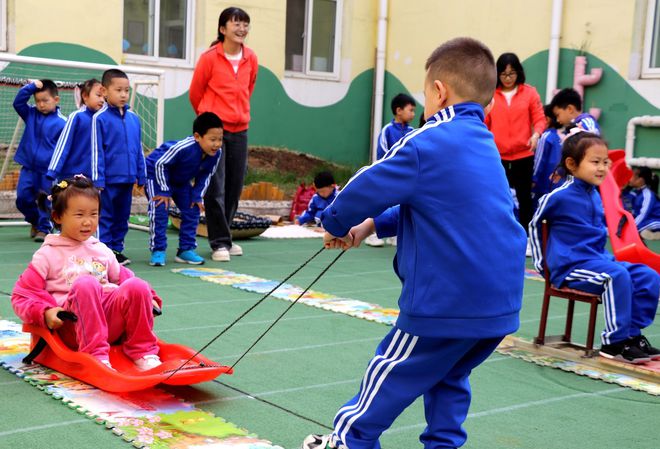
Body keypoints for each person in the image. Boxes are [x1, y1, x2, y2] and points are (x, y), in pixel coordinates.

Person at [302, 37, 526, 449]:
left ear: (438, 91)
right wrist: (368, 228)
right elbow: (431, 206)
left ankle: (345, 440)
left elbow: (368, 183)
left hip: (445, 300)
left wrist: (335, 221)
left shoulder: (428, 138)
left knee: (390, 370)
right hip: (500, 304)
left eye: (425, 95)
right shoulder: (483, 144)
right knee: (450, 376)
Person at [529, 131, 660, 364]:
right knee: (615, 276)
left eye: (605, 162)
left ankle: (631, 335)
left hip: (598, 261)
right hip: (570, 267)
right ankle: (613, 343)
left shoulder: (596, 195)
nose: (602, 168)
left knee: (647, 276)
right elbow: (535, 224)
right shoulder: (559, 196)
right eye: (595, 162)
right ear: (571, 164)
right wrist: (543, 265)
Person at [11, 176, 162, 371]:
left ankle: (143, 352)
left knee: (138, 285)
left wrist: (148, 298)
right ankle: (95, 356)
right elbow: (21, 295)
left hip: (109, 324)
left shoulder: (102, 249)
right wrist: (45, 312)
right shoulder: (47, 254)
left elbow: (126, 280)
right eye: (79, 214)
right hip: (72, 328)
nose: (88, 222)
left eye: (94, 214)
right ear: (57, 217)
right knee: (86, 284)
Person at [189, 6, 258, 262]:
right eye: (236, 24)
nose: (241, 29)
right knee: (215, 186)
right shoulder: (209, 58)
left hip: (240, 129)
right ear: (222, 29)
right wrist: (209, 123)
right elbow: (195, 92)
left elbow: (248, 89)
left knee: (234, 185)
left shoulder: (251, 57)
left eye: (245, 24)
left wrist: (237, 112)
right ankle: (219, 242)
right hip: (214, 130)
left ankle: (224, 236)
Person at [146, 112, 224, 266]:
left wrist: (197, 196)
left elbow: (206, 175)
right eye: (212, 139)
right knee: (161, 208)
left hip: (180, 181)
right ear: (197, 136)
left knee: (193, 208)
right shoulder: (184, 148)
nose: (217, 144)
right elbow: (159, 164)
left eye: (220, 139)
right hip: (156, 176)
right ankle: (158, 250)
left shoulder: (216, 153)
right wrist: (164, 191)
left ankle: (185, 250)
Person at [485, 52, 545, 237]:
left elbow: (540, 119)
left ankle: (526, 236)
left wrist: (536, 135)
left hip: (523, 155)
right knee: (497, 196)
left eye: (512, 73)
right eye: (503, 74)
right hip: (498, 156)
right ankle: (497, 234)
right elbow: (484, 123)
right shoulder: (490, 95)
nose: (508, 78)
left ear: (518, 72)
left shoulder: (529, 93)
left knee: (524, 198)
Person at [92, 69, 146, 266]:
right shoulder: (100, 118)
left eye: (126, 90)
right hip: (108, 181)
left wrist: (142, 174)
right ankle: (103, 252)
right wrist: (98, 179)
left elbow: (138, 149)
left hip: (128, 179)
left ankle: (117, 250)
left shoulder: (134, 119)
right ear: (104, 91)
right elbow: (97, 150)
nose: (123, 94)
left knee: (122, 217)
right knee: (105, 216)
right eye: (118, 90)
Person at [12, 79, 67, 242]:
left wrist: (57, 170)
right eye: (37, 101)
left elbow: (64, 149)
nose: (41, 104)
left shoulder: (62, 123)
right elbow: (18, 102)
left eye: (45, 100)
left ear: (56, 100)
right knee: (22, 199)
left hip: (48, 171)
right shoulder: (31, 114)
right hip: (28, 168)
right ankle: (35, 221)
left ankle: (44, 228)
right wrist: (31, 87)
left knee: (46, 201)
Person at [47, 79, 105, 182]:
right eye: (98, 95)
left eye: (104, 97)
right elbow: (63, 144)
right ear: (85, 96)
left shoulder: (103, 120)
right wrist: (53, 170)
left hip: (93, 178)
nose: (102, 100)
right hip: (71, 175)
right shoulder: (77, 117)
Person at [532, 104, 563, 209]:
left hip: (543, 184)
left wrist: (533, 179)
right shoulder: (559, 137)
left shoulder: (545, 137)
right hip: (556, 185)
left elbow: (539, 160)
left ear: (547, 120)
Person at [376, 93, 416, 160]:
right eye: (411, 110)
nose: (413, 114)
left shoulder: (412, 131)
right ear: (399, 111)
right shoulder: (387, 130)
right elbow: (382, 153)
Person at [626, 166, 660, 240]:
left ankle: (655, 234)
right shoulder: (635, 192)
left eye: (632, 176)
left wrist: (631, 227)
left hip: (656, 220)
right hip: (647, 220)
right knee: (639, 227)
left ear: (640, 180)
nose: (629, 178)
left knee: (641, 226)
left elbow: (643, 214)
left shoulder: (647, 195)